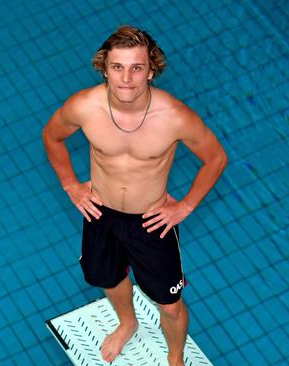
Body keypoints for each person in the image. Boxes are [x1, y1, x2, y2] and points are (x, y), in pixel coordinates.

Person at [42, 25, 227, 366]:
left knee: (170, 304)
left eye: (137, 67)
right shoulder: (84, 106)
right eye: (117, 67)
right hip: (99, 213)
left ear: (151, 70)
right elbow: (52, 136)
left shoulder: (174, 116)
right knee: (107, 278)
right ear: (105, 68)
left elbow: (215, 159)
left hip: (152, 220)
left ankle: (175, 359)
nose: (126, 78)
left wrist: (185, 207)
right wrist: (71, 184)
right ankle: (128, 322)